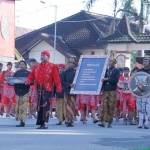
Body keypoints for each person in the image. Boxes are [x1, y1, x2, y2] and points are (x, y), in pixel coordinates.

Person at [28, 50, 62, 129]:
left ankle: (44, 123)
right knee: (39, 107)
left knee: (46, 106)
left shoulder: (53, 66)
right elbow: (31, 75)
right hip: (39, 89)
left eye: (44, 55)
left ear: (48, 57)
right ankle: (40, 123)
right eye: (41, 55)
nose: (42, 56)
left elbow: (56, 78)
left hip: (48, 89)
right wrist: (28, 80)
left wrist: (58, 87)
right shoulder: (37, 66)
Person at [99, 58, 120, 128]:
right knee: (104, 105)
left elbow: (115, 80)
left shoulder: (116, 71)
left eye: (111, 61)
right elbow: (101, 79)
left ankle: (109, 122)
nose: (109, 63)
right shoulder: (106, 70)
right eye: (109, 61)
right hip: (105, 90)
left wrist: (107, 79)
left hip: (112, 91)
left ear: (114, 63)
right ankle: (103, 121)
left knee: (111, 106)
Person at [13, 61, 30, 127]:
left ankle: (23, 121)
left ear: (26, 66)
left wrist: (28, 82)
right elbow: (12, 81)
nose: (21, 65)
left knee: (24, 106)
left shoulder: (28, 73)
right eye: (20, 64)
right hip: (17, 91)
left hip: (25, 91)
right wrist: (9, 81)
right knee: (18, 107)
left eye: (23, 64)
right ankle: (20, 120)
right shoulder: (16, 73)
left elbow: (31, 81)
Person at [135, 57, 150, 129]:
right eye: (144, 60)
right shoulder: (139, 71)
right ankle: (140, 122)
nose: (145, 61)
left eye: (147, 60)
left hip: (148, 93)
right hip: (140, 92)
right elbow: (135, 80)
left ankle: (146, 122)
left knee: (147, 108)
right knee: (140, 108)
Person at [62, 57, 77, 127]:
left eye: (72, 63)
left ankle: (71, 120)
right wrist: (69, 85)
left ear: (74, 64)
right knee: (67, 106)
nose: (71, 64)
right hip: (67, 91)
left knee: (72, 106)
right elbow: (62, 82)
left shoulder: (76, 72)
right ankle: (67, 120)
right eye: (69, 62)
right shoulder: (64, 72)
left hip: (74, 92)